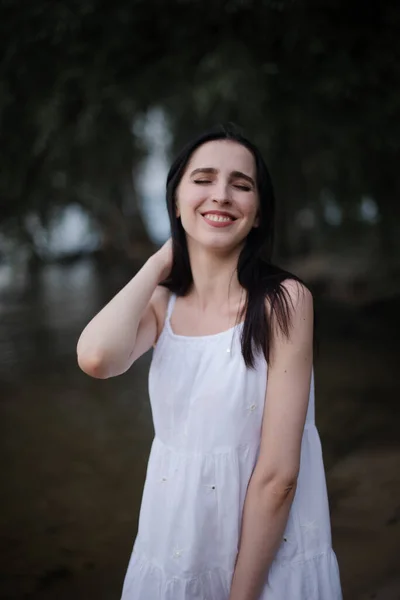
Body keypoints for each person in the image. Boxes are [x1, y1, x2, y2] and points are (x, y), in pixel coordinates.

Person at [77, 124, 342, 600]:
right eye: (202, 180)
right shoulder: (162, 306)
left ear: (258, 213)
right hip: (175, 542)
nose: (221, 195)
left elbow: (279, 475)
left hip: (265, 555)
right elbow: (96, 358)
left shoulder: (284, 301)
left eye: (241, 185)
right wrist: (161, 261)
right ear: (175, 201)